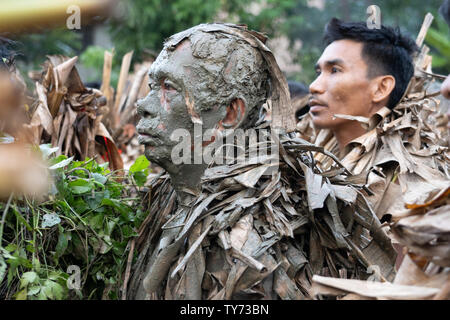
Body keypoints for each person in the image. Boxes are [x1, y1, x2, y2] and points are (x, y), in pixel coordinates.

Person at [125, 23, 396, 300]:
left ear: (230, 115)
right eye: (151, 87)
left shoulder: (247, 253)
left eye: (169, 88)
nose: (143, 105)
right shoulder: (165, 199)